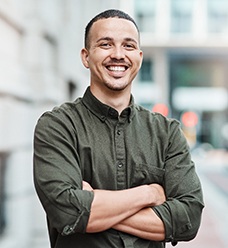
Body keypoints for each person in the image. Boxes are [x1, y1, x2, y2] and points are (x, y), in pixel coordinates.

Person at [33, 9, 204, 248]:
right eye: (105, 44)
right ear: (85, 56)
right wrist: (149, 195)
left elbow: (188, 218)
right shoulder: (58, 126)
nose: (118, 55)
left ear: (140, 57)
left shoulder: (167, 133)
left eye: (128, 46)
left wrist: (94, 206)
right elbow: (68, 213)